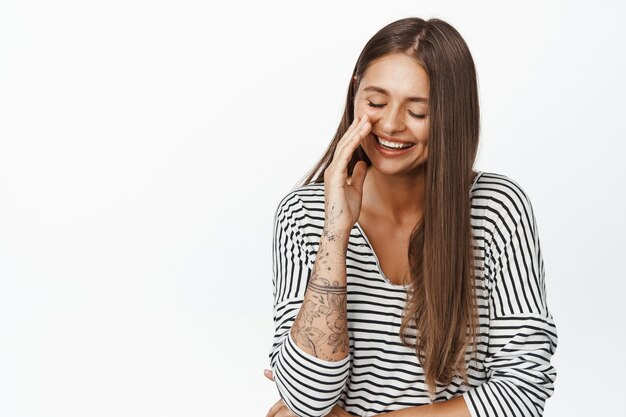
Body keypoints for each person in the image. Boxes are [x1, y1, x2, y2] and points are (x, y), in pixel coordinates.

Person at [264, 16, 558, 417]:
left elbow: (523, 390)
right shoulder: (303, 214)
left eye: (418, 111)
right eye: (376, 102)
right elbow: (308, 398)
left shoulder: (497, 209)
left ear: (451, 117)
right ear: (355, 91)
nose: (390, 124)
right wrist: (335, 229)